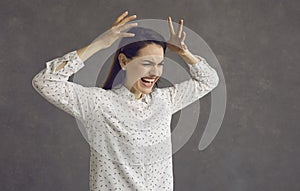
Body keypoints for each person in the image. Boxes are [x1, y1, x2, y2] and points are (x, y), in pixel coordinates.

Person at [32, 10, 219, 191]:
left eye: (159, 64)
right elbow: (45, 81)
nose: (154, 73)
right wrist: (99, 44)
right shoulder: (98, 103)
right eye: (147, 63)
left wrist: (184, 53)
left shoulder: (165, 100)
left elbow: (208, 79)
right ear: (124, 62)